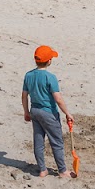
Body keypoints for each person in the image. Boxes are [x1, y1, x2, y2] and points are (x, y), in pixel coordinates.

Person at [22, 45, 74, 178]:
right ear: (49, 61)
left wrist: (26, 112)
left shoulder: (28, 75)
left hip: (35, 111)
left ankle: (42, 169)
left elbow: (24, 96)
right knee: (56, 142)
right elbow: (58, 99)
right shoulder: (50, 77)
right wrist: (67, 113)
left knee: (38, 141)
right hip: (48, 113)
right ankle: (62, 170)